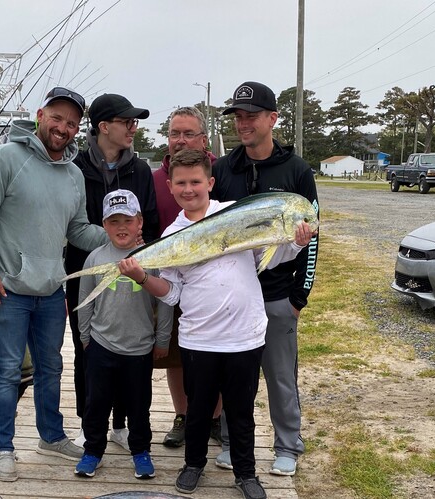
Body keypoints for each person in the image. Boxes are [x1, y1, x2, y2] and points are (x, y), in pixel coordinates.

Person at [118, 149, 315, 499]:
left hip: (245, 337)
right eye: (181, 183)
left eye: (195, 181)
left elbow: (267, 257)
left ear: (210, 183)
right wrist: (142, 277)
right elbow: (172, 292)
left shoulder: (235, 213)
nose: (188, 189)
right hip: (199, 340)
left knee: (241, 412)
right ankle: (193, 464)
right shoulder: (173, 233)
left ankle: (246, 472)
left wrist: (295, 245)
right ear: (170, 186)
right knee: (197, 410)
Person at [0, 86, 107, 482]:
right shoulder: (4, 158)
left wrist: (120, 239)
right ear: (40, 115)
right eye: (57, 118)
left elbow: (78, 230)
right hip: (6, 289)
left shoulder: (74, 174)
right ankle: (3, 448)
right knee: (8, 370)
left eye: (72, 123)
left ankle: (51, 436)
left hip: (50, 291)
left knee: (51, 366)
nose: (63, 128)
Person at [211, 81, 320, 477]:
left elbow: (313, 237)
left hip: (277, 296)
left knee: (280, 376)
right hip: (234, 297)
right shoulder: (222, 169)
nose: (243, 124)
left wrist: (299, 296)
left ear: (272, 118)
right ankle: (231, 442)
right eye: (238, 117)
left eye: (251, 116)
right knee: (235, 377)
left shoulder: (297, 170)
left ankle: (287, 445)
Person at [65, 93, 159, 451]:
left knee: (128, 352)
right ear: (104, 126)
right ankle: (88, 423)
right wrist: (108, 244)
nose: (134, 128)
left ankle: (121, 425)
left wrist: (133, 251)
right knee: (86, 348)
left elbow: (150, 222)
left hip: (133, 272)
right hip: (85, 268)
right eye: (127, 122)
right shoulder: (74, 168)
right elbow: (72, 224)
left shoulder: (141, 170)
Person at [75, 189, 172, 479]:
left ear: (139, 222)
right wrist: (85, 337)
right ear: (104, 225)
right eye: (113, 221)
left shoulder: (153, 257)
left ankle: (140, 450)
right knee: (96, 403)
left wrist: (162, 340)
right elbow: (85, 299)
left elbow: (165, 301)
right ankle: (93, 450)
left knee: (139, 406)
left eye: (128, 220)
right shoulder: (94, 258)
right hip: (101, 344)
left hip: (139, 348)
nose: (121, 227)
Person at [152, 106, 222, 448]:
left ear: (203, 139)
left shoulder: (217, 172)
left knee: (218, 353)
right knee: (175, 356)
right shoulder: (155, 179)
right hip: (171, 277)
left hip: (214, 283)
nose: (180, 140)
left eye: (188, 133)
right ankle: (182, 415)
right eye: (174, 133)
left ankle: (215, 418)